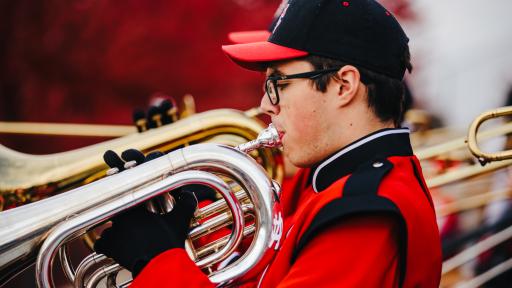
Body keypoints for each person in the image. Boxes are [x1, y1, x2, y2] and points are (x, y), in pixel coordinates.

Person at [95, 0, 442, 287]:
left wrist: (157, 261)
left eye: (278, 83)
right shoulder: (338, 185)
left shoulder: (363, 211)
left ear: (343, 85)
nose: (264, 104)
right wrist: (191, 218)